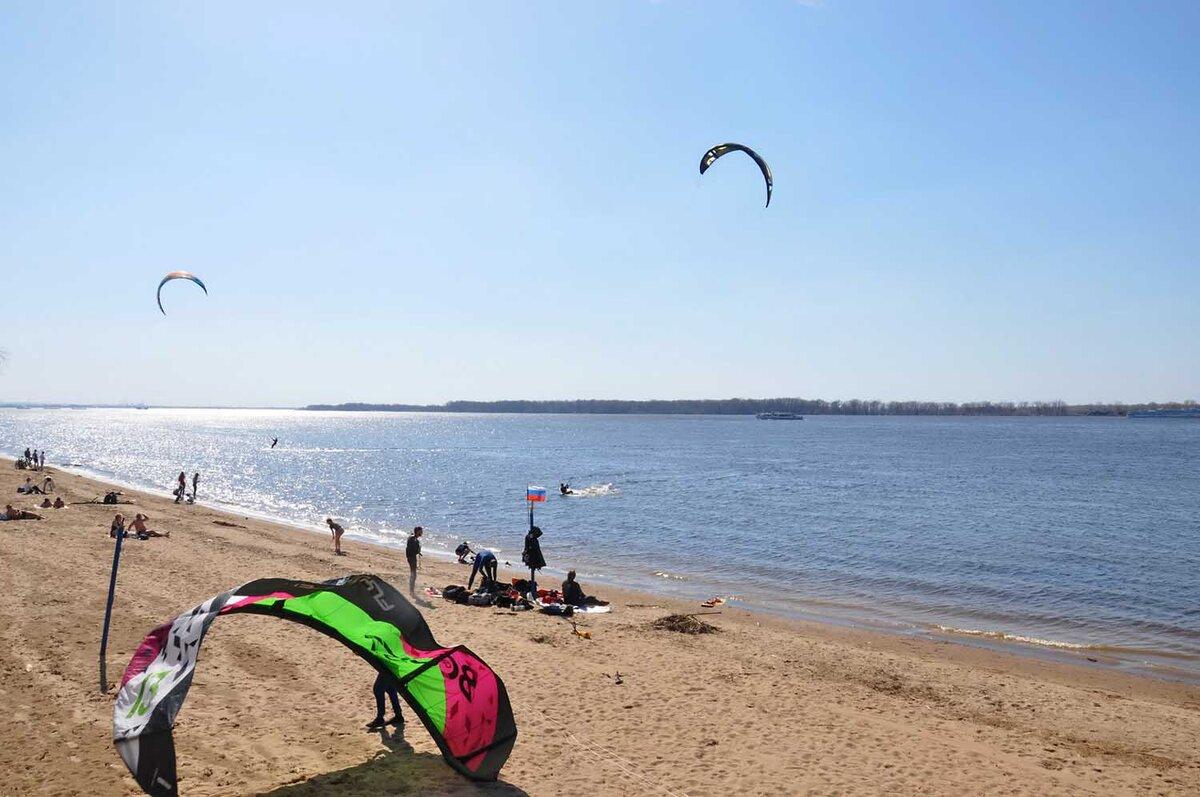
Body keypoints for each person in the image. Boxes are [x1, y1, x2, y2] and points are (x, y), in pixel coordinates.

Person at [405, 527, 423, 596]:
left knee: (413, 574)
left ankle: (411, 591)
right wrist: (418, 549)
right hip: (411, 558)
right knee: (413, 575)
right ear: (417, 531)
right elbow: (413, 549)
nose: (422, 533)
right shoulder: (413, 539)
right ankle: (411, 591)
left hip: (411, 557)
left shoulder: (413, 538)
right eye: (421, 531)